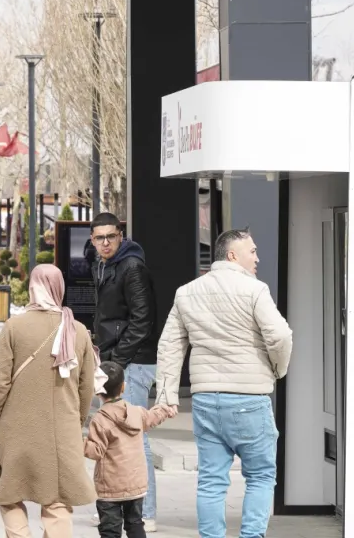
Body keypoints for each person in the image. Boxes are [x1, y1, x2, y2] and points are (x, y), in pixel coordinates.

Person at [154, 229, 293, 538]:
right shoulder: (255, 290)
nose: (257, 257)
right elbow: (281, 336)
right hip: (249, 400)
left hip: (206, 400)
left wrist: (166, 395)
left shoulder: (186, 292)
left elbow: (170, 346)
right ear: (232, 255)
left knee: (211, 481)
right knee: (260, 476)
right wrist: (277, 369)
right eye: (252, 251)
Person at [0, 263, 97, 538]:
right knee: (58, 499)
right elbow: (87, 388)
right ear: (60, 288)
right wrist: (76, 421)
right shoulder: (78, 330)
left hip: (17, 424)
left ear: (32, 287)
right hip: (63, 428)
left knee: (9, 493)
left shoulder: (14, 327)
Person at [88, 212, 160, 532]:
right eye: (99, 238)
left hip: (133, 362)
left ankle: (145, 513)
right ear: (93, 240)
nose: (105, 243)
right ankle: (119, 509)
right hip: (116, 361)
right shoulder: (104, 265)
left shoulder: (132, 267)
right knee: (117, 437)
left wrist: (116, 362)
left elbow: (142, 320)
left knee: (134, 437)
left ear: (121, 236)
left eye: (111, 236)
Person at [86, 362, 175, 538]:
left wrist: (79, 443)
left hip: (110, 487)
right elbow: (152, 417)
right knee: (135, 524)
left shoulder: (100, 420)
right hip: (135, 485)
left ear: (97, 391)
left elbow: (96, 451)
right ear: (123, 387)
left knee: (110, 530)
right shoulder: (136, 412)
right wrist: (165, 409)